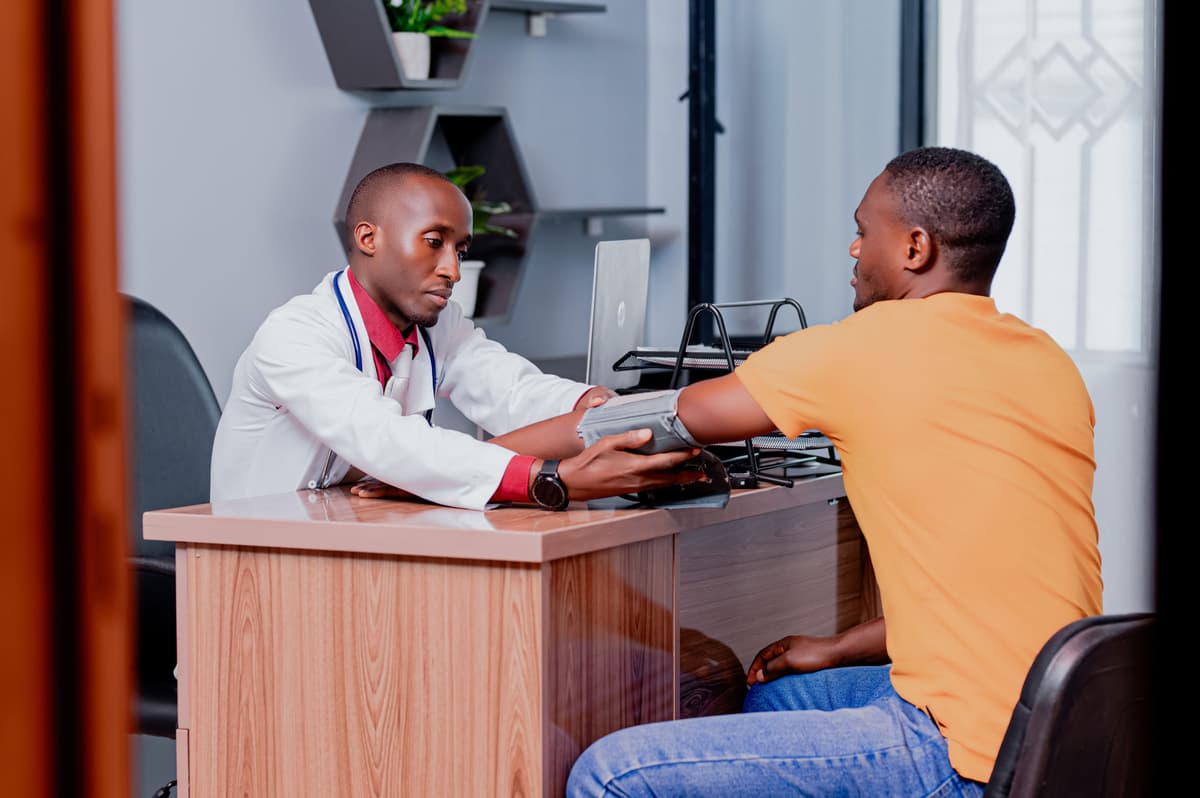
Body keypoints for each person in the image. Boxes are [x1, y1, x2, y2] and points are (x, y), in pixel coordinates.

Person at [558, 146, 1103, 796]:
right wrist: (841, 648)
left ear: (915, 248)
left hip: (964, 756)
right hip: (1060, 720)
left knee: (612, 775)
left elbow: (649, 419)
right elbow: (990, 586)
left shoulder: (859, 348)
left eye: (862, 230)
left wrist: (490, 463)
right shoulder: (1047, 363)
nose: (852, 250)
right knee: (782, 698)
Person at [210, 161, 700, 509]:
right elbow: (385, 439)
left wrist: (598, 406)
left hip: (350, 531)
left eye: (460, 250)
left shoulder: (437, 326)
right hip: (254, 564)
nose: (453, 270)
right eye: (433, 242)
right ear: (368, 238)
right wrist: (546, 478)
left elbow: (511, 390)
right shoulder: (295, 336)